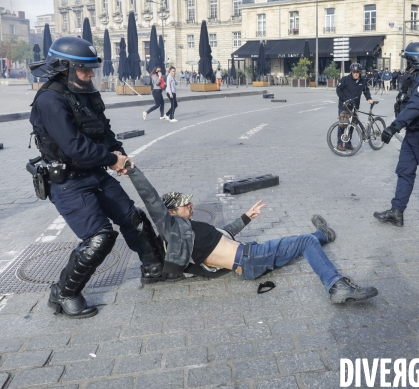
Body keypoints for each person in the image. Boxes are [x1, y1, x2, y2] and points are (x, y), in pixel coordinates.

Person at [28, 37, 162, 318]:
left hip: (94, 172)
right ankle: (64, 293)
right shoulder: (50, 101)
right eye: (84, 70)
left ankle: (155, 267)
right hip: (67, 181)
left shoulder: (86, 92)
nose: (90, 75)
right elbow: (74, 146)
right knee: (99, 238)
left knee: (133, 218)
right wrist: (112, 160)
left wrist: (118, 153)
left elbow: (104, 132)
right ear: (64, 68)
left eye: (92, 70)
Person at [124, 165, 379, 303]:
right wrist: (132, 170)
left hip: (249, 259)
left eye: (190, 202)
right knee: (303, 241)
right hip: (249, 258)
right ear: (170, 212)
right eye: (185, 205)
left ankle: (323, 235)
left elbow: (223, 236)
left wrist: (247, 216)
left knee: (305, 244)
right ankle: (337, 285)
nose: (191, 206)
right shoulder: (174, 230)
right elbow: (151, 199)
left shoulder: (191, 228)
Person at [373, 42, 419, 227]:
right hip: (413, 132)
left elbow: (416, 106)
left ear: (414, 59)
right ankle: (397, 212)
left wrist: (393, 127)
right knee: (404, 172)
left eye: (408, 60)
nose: (406, 64)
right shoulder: (417, 75)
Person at [335, 62, 374, 151]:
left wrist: (369, 98)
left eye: (357, 72)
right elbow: (338, 90)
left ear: (360, 72)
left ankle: (348, 143)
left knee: (352, 125)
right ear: (351, 72)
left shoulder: (363, 81)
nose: (356, 73)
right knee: (342, 124)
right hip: (344, 105)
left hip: (355, 106)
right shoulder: (345, 79)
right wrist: (344, 99)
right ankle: (339, 144)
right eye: (354, 72)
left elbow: (366, 90)